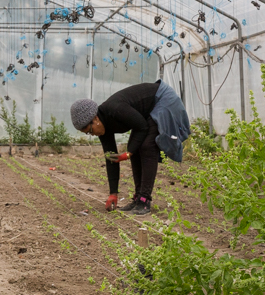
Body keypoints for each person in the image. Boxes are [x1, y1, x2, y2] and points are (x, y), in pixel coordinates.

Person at [70, 79, 190, 215]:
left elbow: (142, 127)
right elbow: (111, 159)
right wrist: (113, 193)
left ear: (95, 119)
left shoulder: (115, 109)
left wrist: (128, 153)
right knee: (135, 147)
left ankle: (144, 200)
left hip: (162, 100)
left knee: (146, 147)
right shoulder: (103, 129)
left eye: (90, 131)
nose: (92, 134)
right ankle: (138, 198)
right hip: (146, 113)